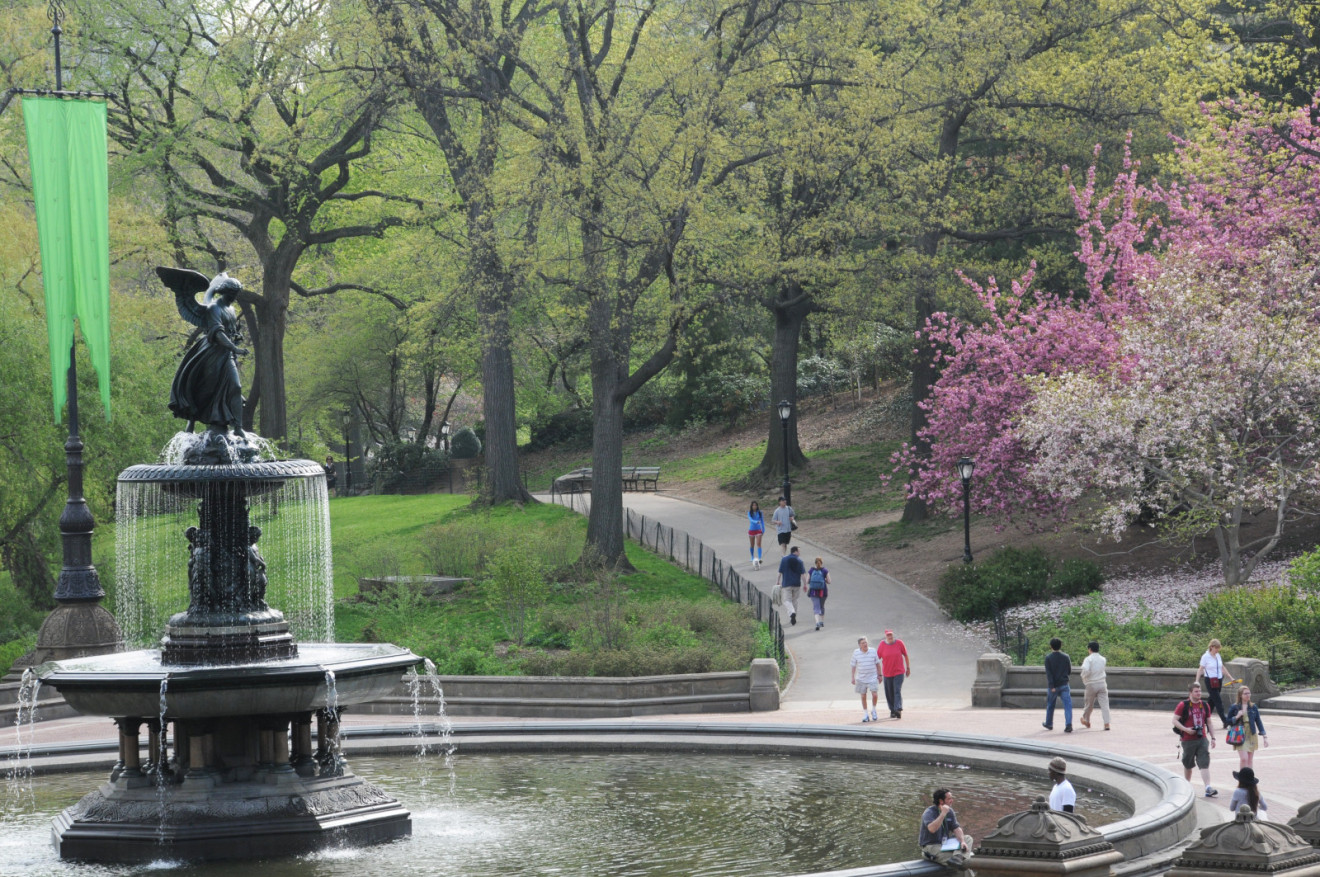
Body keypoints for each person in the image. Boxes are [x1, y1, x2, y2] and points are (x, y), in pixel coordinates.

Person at [158, 267, 249, 436]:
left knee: (235, 387)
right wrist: (234, 347)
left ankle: (237, 427)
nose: (234, 298)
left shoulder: (231, 309)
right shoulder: (213, 308)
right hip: (211, 354)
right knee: (205, 390)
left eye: (236, 294)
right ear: (225, 292)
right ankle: (191, 421)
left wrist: (236, 338)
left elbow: (229, 330)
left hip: (227, 354)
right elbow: (218, 332)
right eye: (232, 294)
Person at [1174, 681, 1219, 797]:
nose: (1199, 693)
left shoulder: (1204, 705)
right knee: (1188, 764)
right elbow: (1174, 720)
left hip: (1202, 738)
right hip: (1188, 739)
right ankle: (1187, 786)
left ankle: (1208, 787)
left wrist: (1213, 737)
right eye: (1196, 691)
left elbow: (1209, 722)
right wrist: (1185, 729)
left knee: (1204, 761)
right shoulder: (1183, 705)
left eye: (1200, 691)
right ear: (1190, 693)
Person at [919, 788, 974, 873]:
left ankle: (958, 857)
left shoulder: (950, 811)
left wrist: (962, 841)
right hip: (931, 846)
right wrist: (943, 813)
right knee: (963, 864)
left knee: (968, 838)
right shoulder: (929, 812)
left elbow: (956, 828)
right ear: (941, 801)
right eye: (949, 799)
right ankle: (958, 859)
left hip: (945, 844)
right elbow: (932, 829)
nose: (952, 800)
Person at [1226, 685, 1269, 769]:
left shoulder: (1253, 707)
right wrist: (1237, 716)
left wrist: (1264, 736)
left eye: (1249, 693)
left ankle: (1249, 780)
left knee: (1249, 760)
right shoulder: (1235, 707)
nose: (1248, 695)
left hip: (1251, 734)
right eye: (1245, 693)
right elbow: (1227, 721)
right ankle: (1242, 779)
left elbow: (1258, 721)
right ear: (1240, 695)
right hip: (1239, 734)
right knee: (1244, 759)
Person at [876, 629, 911, 719]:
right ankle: (892, 710)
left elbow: (905, 655)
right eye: (888, 635)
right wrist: (877, 673)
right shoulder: (882, 645)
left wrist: (908, 668)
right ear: (885, 636)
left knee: (897, 690)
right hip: (887, 673)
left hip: (899, 672)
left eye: (891, 635)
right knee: (889, 692)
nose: (890, 637)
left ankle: (898, 709)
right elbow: (877, 659)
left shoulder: (899, 643)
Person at [1196, 639, 1230, 728]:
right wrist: (1197, 681)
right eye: (1216, 648)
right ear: (1211, 647)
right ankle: (1225, 720)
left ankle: (1203, 720)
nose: (1218, 650)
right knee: (1218, 701)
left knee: (1211, 701)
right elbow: (1200, 669)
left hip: (1218, 680)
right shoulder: (1205, 656)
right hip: (1210, 680)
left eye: (1218, 648)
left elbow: (1222, 667)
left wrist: (1230, 677)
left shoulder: (1218, 655)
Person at [1042, 638, 1073, 733]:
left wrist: (1052, 686)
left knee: (1051, 705)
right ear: (1060, 646)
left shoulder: (1048, 658)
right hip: (1064, 684)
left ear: (1051, 646)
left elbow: (1049, 674)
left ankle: (1049, 723)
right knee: (1068, 705)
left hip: (1054, 685)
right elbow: (1069, 670)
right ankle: (1068, 724)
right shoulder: (1066, 657)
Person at [1080, 641, 1110, 731]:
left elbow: (1085, 670)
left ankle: (1086, 720)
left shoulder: (1088, 659)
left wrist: (1084, 678)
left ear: (1090, 649)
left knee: (1089, 704)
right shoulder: (1103, 659)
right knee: (1105, 704)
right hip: (1102, 683)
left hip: (1091, 683)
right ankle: (1107, 723)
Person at [851, 636, 881, 723]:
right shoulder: (856, 653)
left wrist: (880, 675)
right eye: (863, 643)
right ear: (859, 645)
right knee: (863, 696)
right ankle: (865, 714)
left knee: (874, 694)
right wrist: (852, 677)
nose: (865, 644)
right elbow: (853, 665)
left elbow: (878, 663)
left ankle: (874, 710)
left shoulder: (873, 651)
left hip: (872, 677)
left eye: (866, 642)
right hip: (861, 678)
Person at [775, 546, 806, 626]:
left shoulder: (784, 559)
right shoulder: (799, 561)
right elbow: (803, 574)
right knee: (794, 600)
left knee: (786, 600)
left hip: (786, 583)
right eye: (799, 551)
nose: (799, 553)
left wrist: (778, 581)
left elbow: (780, 572)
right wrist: (805, 584)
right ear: (795, 551)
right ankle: (794, 615)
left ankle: (792, 613)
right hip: (796, 584)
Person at [807, 557, 830, 630]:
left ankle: (817, 622)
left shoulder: (811, 570)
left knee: (816, 607)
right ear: (821, 562)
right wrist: (824, 580)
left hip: (813, 592)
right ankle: (821, 621)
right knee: (822, 606)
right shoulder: (825, 570)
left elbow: (807, 581)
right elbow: (829, 581)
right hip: (823, 591)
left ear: (815, 563)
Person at [747, 501, 766, 568]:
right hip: (751, 530)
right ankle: (752, 556)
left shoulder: (760, 512)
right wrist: (756, 521)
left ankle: (760, 558)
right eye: (753, 505)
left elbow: (762, 521)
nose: (754, 506)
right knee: (752, 545)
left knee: (759, 544)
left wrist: (763, 529)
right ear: (751, 506)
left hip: (758, 530)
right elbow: (751, 520)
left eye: (755, 505)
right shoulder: (749, 513)